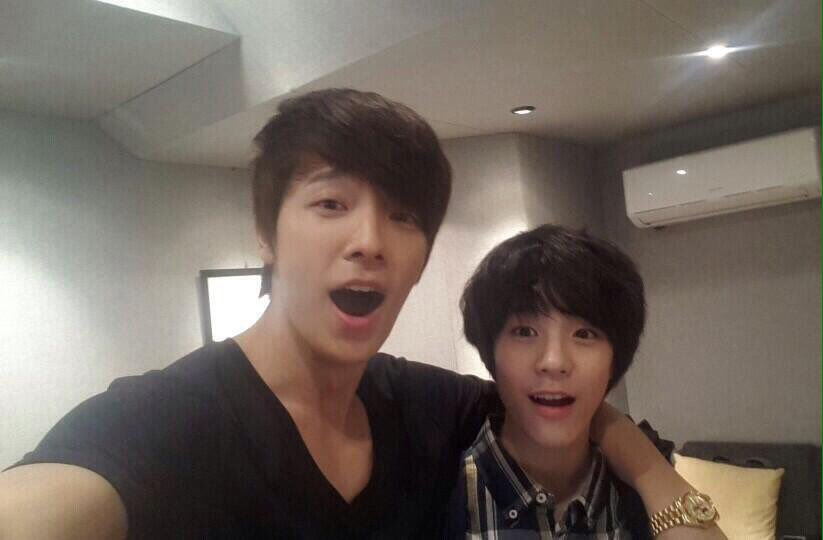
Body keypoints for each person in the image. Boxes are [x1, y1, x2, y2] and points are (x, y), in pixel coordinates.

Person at [0, 89, 721, 539]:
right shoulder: (166, 419)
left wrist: (653, 478)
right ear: (265, 231)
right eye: (330, 203)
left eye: (403, 216)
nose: (370, 241)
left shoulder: (422, 408)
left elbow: (551, 398)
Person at [446, 224, 655, 538]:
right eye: (525, 332)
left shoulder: (646, 496)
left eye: (584, 334)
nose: (554, 362)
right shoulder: (433, 497)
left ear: (615, 360)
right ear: (492, 352)